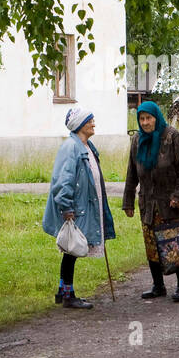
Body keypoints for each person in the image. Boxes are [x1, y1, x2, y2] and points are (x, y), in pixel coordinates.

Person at [42, 107, 116, 310]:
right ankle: (67, 296)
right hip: (75, 209)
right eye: (90, 120)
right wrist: (66, 207)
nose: (94, 123)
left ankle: (63, 292)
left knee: (71, 249)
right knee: (71, 249)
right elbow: (63, 181)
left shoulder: (87, 146)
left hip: (86, 206)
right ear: (81, 124)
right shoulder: (71, 148)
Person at [122, 100, 179, 302]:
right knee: (152, 244)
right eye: (142, 119)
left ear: (156, 117)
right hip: (149, 204)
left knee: (175, 243)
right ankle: (158, 286)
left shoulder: (171, 137)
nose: (145, 122)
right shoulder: (137, 140)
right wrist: (128, 201)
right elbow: (131, 172)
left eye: (149, 118)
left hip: (171, 203)